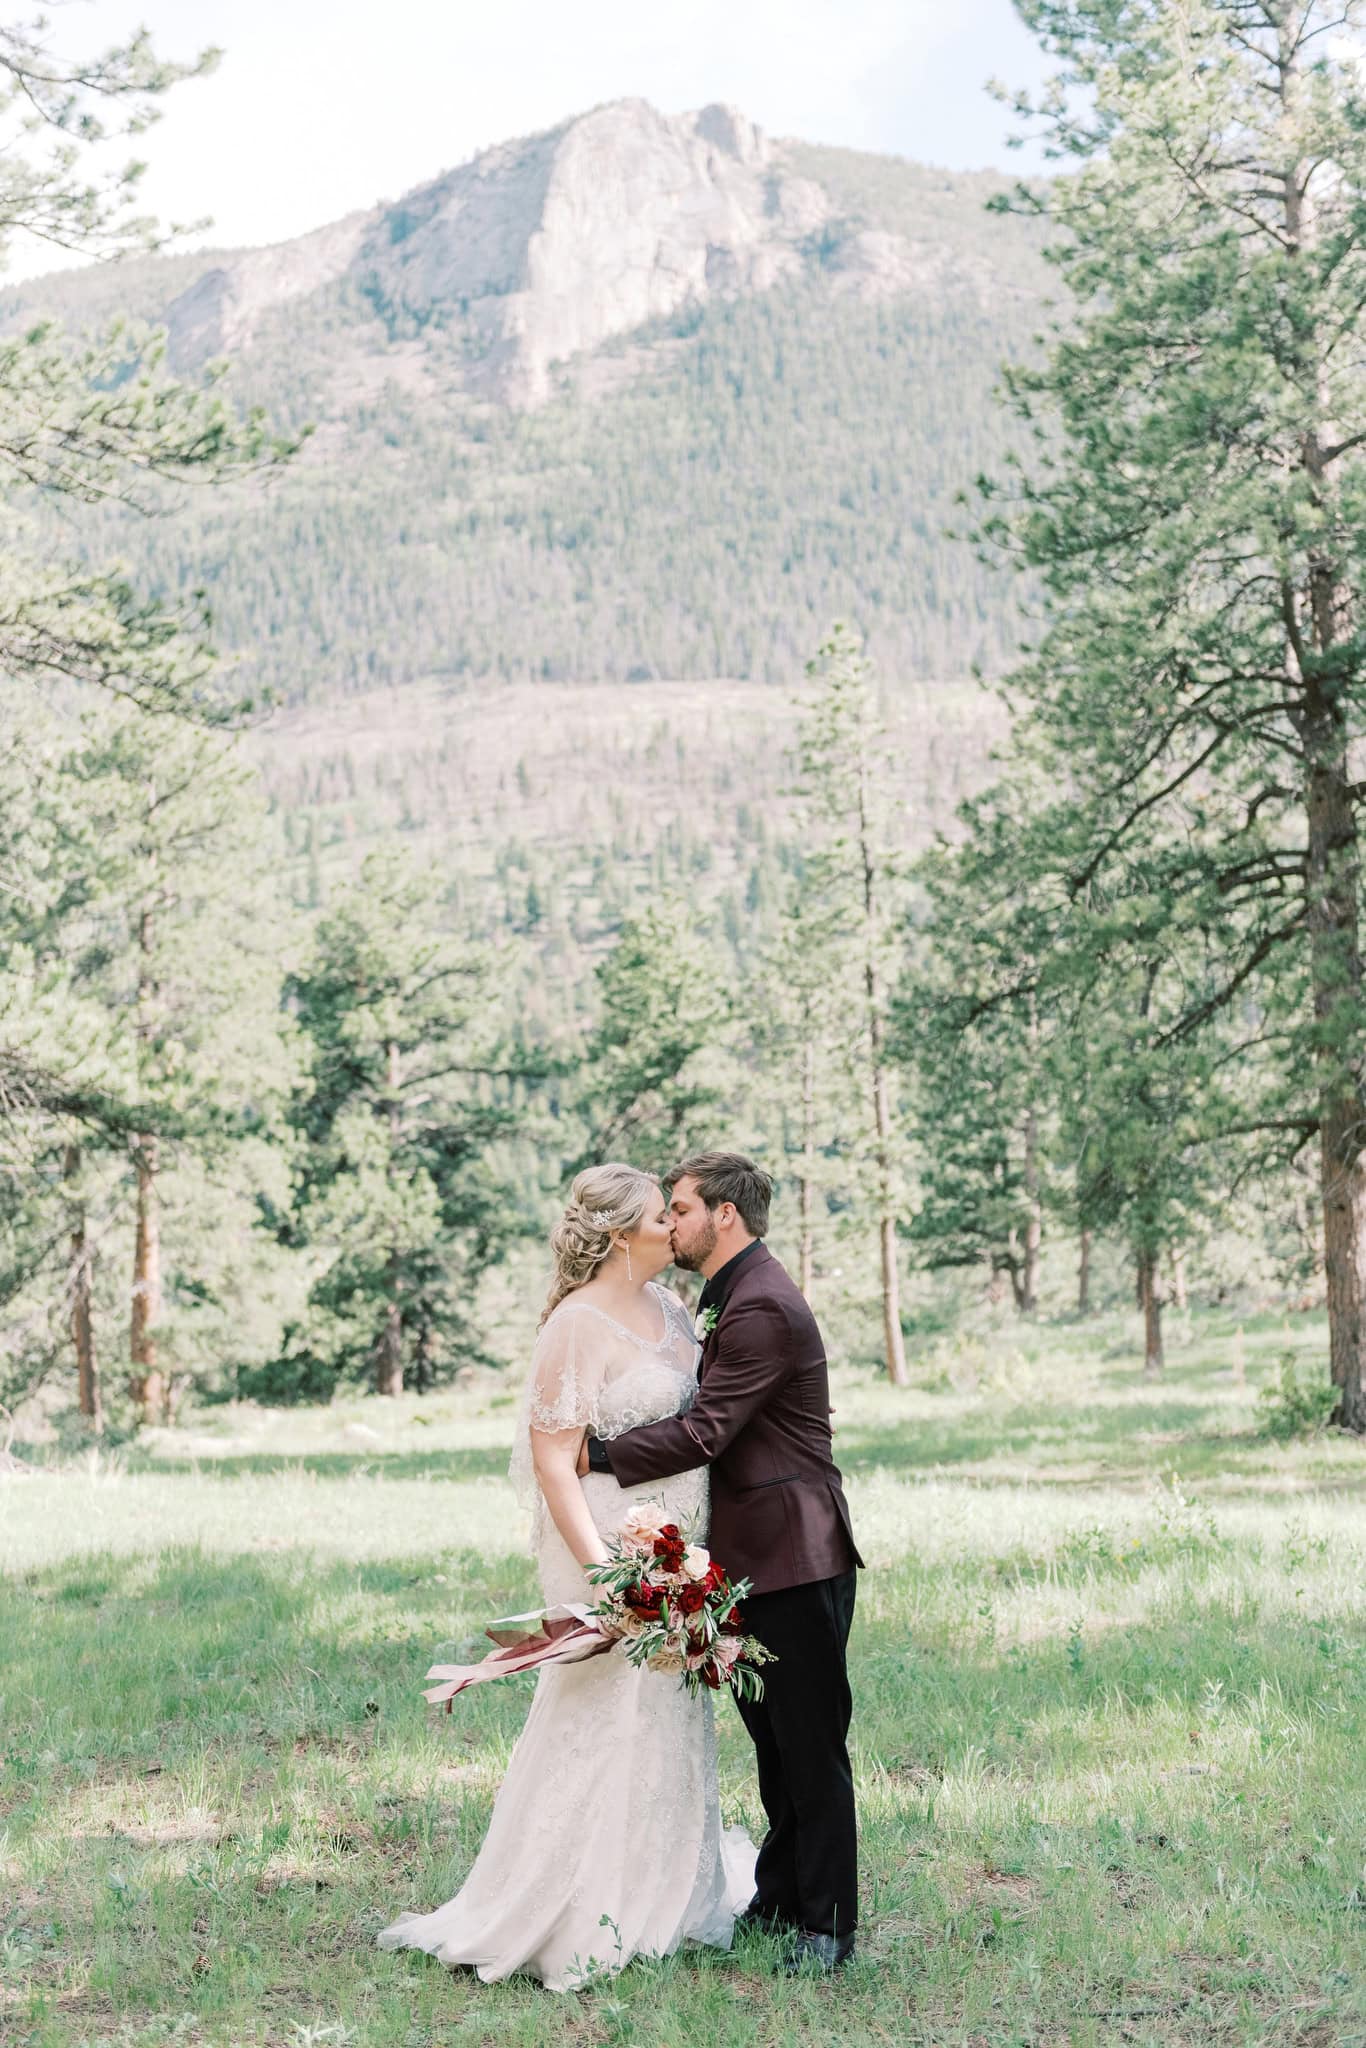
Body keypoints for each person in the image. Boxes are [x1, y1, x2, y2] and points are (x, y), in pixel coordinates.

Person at [376, 1162, 753, 1991]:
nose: (675, 1227)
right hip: (610, 1545)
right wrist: (607, 1576)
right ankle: (572, 1902)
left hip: (680, 1549)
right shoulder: (575, 1326)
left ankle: (664, 1894)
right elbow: (555, 1461)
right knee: (604, 1708)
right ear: (620, 1236)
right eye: (660, 1217)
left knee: (667, 1711)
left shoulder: (670, 1308)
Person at [583, 1151, 862, 1973]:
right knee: (774, 1743)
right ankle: (780, 1898)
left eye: (680, 1208)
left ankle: (829, 1927)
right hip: (756, 1557)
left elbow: (707, 1431)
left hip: (797, 1554)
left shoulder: (762, 1304)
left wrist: (597, 1454)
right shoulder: (730, 1293)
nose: (671, 1223)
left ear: (724, 1215)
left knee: (810, 1748)